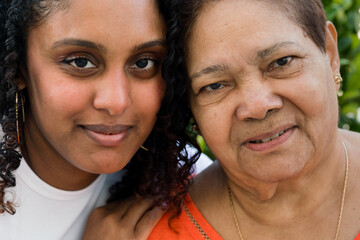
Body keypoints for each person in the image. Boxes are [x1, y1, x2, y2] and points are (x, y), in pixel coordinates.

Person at [149, 0, 360, 239]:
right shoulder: (151, 231)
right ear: (190, 108)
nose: (257, 107)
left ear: (330, 53)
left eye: (282, 62)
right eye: (215, 85)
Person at [0, 0, 211, 239]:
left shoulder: (183, 180)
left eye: (143, 62)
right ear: (18, 66)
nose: (116, 102)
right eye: (81, 62)